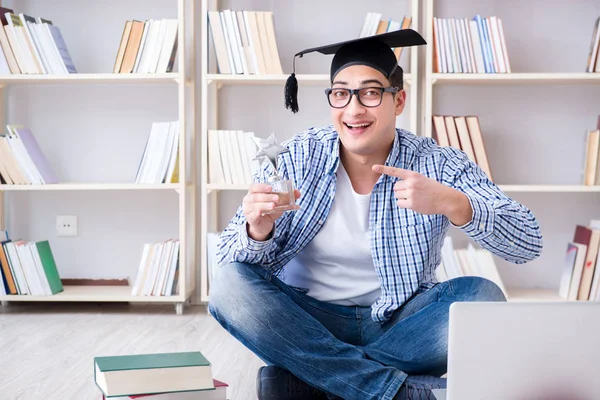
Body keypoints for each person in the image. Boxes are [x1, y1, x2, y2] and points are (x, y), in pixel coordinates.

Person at [208, 29, 543, 400]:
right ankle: (392, 391)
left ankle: (312, 381)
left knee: (483, 297)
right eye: (340, 94)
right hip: (308, 321)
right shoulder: (294, 157)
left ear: (398, 100)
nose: (353, 109)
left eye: (370, 92)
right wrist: (257, 231)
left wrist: (455, 204)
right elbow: (229, 266)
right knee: (228, 285)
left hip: (399, 324)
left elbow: (528, 241)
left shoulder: (438, 163)